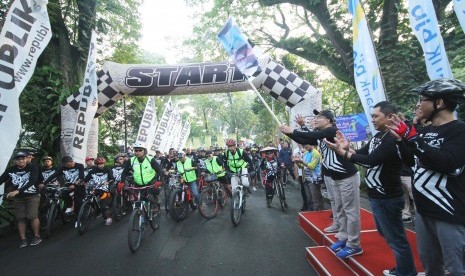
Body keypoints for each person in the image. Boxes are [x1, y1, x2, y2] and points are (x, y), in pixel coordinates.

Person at [326, 101, 417, 275]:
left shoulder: (392, 138)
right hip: (377, 197)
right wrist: (348, 148)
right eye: (372, 116)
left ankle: (406, 271)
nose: (372, 119)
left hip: (388, 197)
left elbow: (370, 161)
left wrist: (343, 153)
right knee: (388, 235)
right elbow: (363, 154)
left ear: (390, 117)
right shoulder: (378, 137)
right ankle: (404, 268)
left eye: (376, 116)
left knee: (396, 239)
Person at [390, 79, 465, 275]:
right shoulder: (427, 130)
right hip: (423, 211)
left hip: (449, 212)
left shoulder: (460, 131)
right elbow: (412, 161)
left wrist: (413, 139)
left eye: (422, 99)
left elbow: (448, 162)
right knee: (430, 264)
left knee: (457, 268)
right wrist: (401, 142)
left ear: (439, 103)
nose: (418, 104)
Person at [280, 109, 361, 259]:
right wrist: (289, 133)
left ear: (329, 120)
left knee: (350, 211)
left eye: (319, 117)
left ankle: (354, 244)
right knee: (340, 207)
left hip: (346, 176)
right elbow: (307, 140)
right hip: (336, 177)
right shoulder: (323, 136)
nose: (316, 119)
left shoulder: (332, 131)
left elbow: (311, 136)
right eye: (316, 117)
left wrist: (292, 130)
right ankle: (343, 236)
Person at [0, 151, 41, 248]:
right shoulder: (11, 170)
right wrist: (17, 193)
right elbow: (1, 179)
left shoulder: (32, 167)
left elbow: (33, 181)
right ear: (15, 161)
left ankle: (37, 236)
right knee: (20, 218)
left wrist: (18, 191)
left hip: (32, 195)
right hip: (18, 198)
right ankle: (23, 239)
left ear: (26, 159)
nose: (21, 161)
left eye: (23, 158)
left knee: (32, 216)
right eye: (18, 159)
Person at [84, 157, 114, 226]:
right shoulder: (92, 171)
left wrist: (108, 182)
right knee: (89, 197)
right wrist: (83, 183)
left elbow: (112, 178)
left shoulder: (107, 169)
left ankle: (109, 218)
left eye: (102, 164)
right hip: (96, 188)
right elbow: (86, 179)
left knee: (104, 205)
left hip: (105, 189)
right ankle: (96, 210)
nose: (101, 165)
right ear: (97, 164)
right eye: (99, 164)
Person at [295, 144, 324, 211]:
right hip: (306, 179)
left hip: (314, 180)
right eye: (305, 144)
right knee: (309, 199)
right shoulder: (305, 153)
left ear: (312, 144)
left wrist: (302, 161)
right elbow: (303, 166)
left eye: (308, 144)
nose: (306, 146)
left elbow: (312, 166)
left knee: (316, 199)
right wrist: (297, 162)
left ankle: (319, 214)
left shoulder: (316, 153)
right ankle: (311, 214)